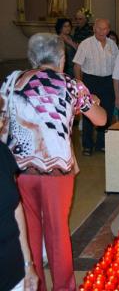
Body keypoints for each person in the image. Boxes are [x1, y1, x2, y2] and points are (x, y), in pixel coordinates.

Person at [0, 33, 106, 291]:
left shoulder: (11, 80)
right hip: (57, 171)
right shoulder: (71, 84)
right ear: (61, 57)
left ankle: (33, 285)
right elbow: (101, 120)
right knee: (57, 232)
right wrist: (93, 102)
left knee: (28, 229)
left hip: (16, 169)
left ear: (32, 57)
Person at [0, 100, 38, 291]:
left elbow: (16, 207)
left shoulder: (3, 154)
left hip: (14, 271)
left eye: (0, 116)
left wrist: (28, 264)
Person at [73, 18, 119, 155]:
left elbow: (118, 65)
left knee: (107, 112)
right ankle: (87, 145)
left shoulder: (112, 45)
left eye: (104, 29)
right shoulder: (86, 44)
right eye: (99, 28)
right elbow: (77, 66)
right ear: (94, 29)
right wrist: (79, 85)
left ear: (108, 30)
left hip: (108, 81)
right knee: (88, 113)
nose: (101, 31)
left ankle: (102, 143)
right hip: (90, 81)